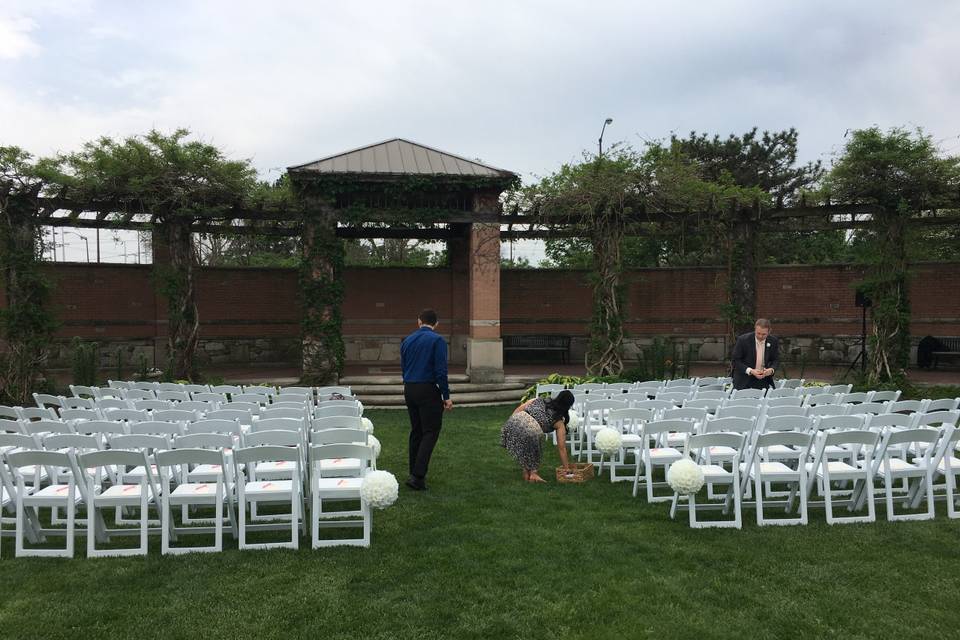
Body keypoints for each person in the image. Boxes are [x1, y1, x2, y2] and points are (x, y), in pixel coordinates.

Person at [400, 308, 452, 491]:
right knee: (430, 431)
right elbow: (440, 371)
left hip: (409, 388)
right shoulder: (437, 340)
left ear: (419, 321)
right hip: (427, 389)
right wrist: (446, 396)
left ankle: (413, 471)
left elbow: (404, 366)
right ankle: (417, 475)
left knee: (416, 431)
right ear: (436, 324)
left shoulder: (407, 340)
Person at [500, 390, 574, 483]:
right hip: (530, 430)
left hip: (513, 423)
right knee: (535, 442)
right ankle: (533, 474)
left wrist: (509, 424)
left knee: (527, 441)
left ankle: (527, 473)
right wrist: (566, 469)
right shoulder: (558, 422)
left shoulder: (539, 400)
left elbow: (519, 409)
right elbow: (562, 448)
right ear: (568, 406)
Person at [731, 318, 780, 390]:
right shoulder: (743, 340)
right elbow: (736, 360)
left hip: (763, 380)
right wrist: (751, 371)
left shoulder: (773, 341)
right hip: (743, 380)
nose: (760, 336)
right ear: (755, 329)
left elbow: (776, 359)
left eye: (764, 334)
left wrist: (771, 370)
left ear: (769, 332)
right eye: (758, 333)